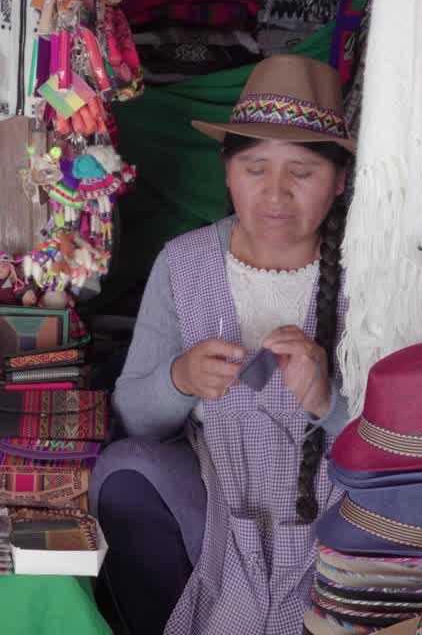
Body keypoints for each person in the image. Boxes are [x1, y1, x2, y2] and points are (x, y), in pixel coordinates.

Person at [91, 55, 355, 635]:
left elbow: (400, 447)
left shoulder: (367, 276)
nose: (276, 193)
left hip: (335, 506)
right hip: (214, 497)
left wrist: (326, 403)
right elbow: (133, 416)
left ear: (338, 181)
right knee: (124, 472)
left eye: (302, 171)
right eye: (255, 167)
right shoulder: (185, 263)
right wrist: (180, 378)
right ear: (227, 171)